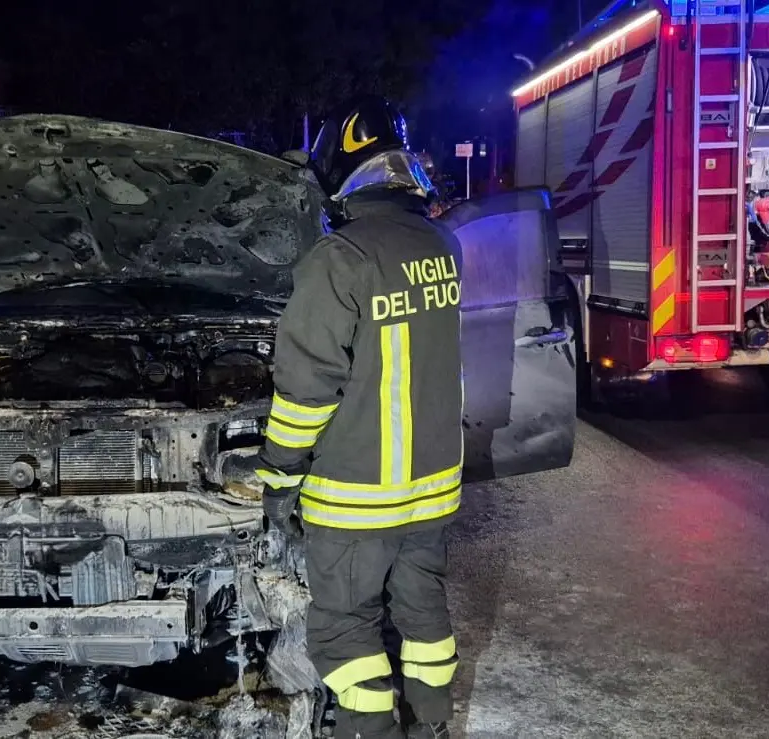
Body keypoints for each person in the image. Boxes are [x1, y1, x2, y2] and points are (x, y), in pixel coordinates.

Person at [256, 95, 464, 739]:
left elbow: (305, 392)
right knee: (423, 614)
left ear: (342, 176)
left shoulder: (339, 257)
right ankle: (431, 725)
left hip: (356, 497)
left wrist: (279, 474)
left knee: (347, 631)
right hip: (432, 491)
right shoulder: (442, 243)